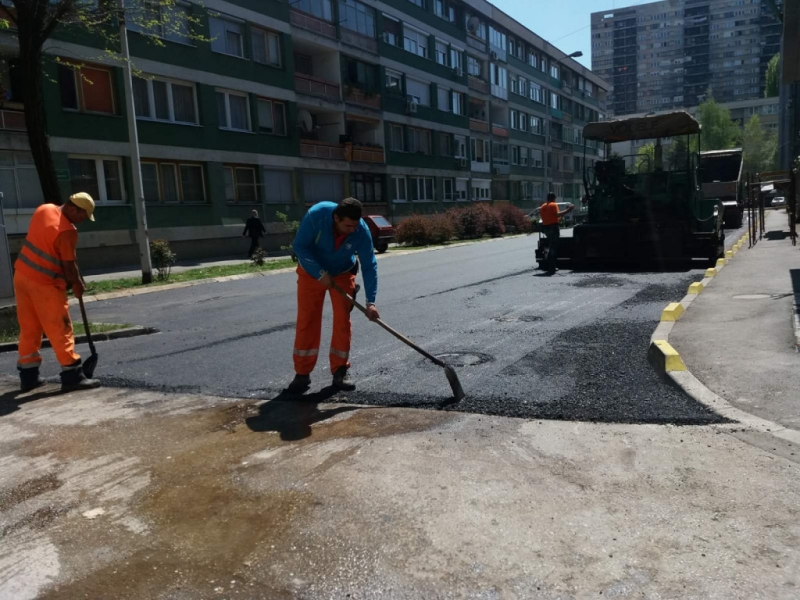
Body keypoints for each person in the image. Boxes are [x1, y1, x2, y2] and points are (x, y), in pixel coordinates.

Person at [288, 197, 379, 394]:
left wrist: (370, 302)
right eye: (347, 226)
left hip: (342, 272)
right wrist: (320, 273)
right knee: (307, 319)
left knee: (342, 320)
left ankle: (340, 371)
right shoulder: (316, 216)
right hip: (311, 272)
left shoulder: (361, 230)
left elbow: (369, 264)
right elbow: (300, 246)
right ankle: (302, 373)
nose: (352, 230)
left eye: (355, 225)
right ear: (336, 218)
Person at [14, 193, 101, 392]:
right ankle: (72, 375)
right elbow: (69, 266)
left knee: (29, 327)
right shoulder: (67, 231)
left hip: (21, 276)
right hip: (44, 284)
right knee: (60, 327)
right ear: (73, 208)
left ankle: (28, 377)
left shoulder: (43, 209)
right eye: (83, 215)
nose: (83, 220)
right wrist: (77, 284)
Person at [540, 192, 574, 275]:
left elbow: (550, 216)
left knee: (551, 245)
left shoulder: (543, 206)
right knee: (553, 247)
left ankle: (549, 265)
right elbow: (557, 215)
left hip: (546, 228)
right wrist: (568, 210)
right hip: (553, 227)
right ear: (554, 198)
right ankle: (552, 267)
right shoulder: (553, 205)